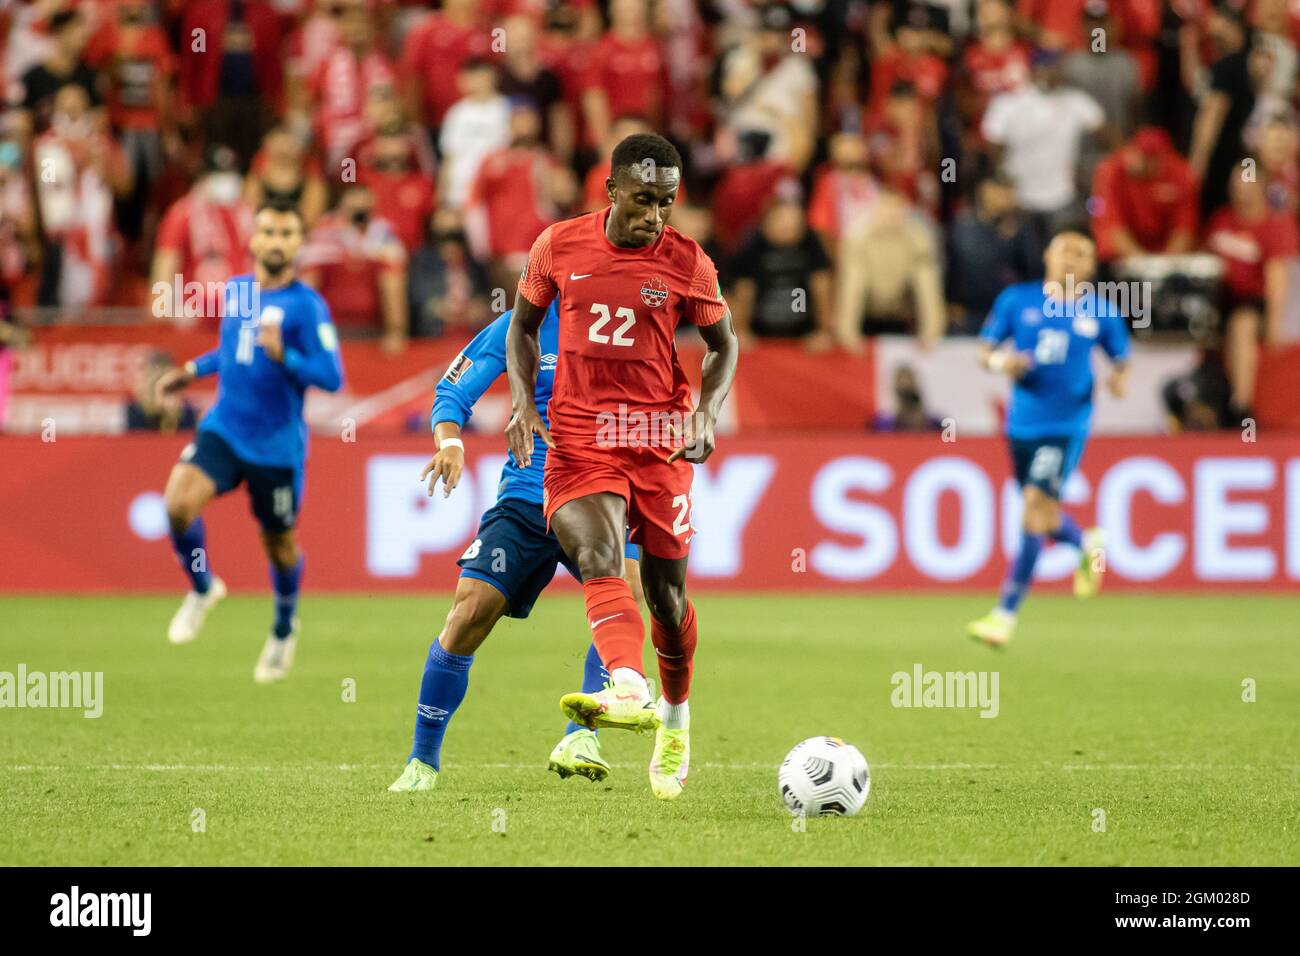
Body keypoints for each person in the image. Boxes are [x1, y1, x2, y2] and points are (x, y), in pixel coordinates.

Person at [500, 134, 738, 801]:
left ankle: (675, 714)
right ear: (611, 191)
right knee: (597, 553)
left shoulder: (687, 261)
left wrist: (708, 412)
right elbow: (521, 328)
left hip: (659, 441)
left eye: (665, 202)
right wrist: (523, 402)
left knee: (667, 597)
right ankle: (627, 685)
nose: (654, 216)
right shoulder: (558, 245)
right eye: (641, 200)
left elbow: (724, 343)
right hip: (580, 436)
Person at [388, 304, 646, 793]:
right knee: (467, 613)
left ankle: (581, 737)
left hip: (600, 494)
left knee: (627, 593)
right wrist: (451, 444)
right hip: (529, 495)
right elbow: (452, 390)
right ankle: (422, 761)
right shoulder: (519, 325)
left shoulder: (623, 321)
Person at [154, 200, 344, 682]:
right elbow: (231, 350)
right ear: (254, 240)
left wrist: (288, 359)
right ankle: (202, 587)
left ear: (299, 244)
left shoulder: (307, 306)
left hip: (276, 447)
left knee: (279, 546)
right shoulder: (238, 291)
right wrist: (191, 372)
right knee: (177, 505)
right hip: (225, 428)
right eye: (269, 232)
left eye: (287, 233)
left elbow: (331, 374)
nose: (277, 242)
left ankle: (283, 628)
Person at [967, 228, 1130, 647]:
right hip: (1021, 425)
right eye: (1065, 252)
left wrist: (1117, 380)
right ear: (1047, 258)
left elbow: (1121, 360)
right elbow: (984, 352)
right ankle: (1086, 541)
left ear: (1092, 267)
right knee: (1040, 514)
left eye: (1081, 254)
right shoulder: (1017, 301)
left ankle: (1004, 616)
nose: (1072, 260)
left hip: (1065, 426)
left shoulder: (1101, 312)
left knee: (1034, 511)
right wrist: (1004, 362)